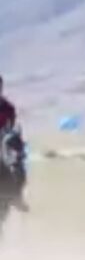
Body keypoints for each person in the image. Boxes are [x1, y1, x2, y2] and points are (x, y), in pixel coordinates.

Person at [0, 74, 28, 211]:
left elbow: (11, 126)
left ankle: (17, 196)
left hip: (3, 140)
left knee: (18, 162)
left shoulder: (8, 107)